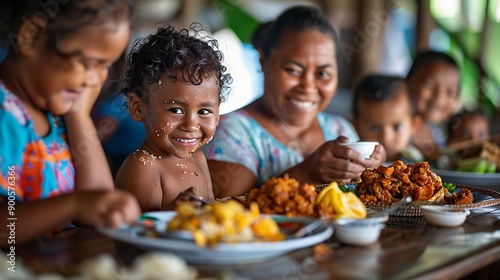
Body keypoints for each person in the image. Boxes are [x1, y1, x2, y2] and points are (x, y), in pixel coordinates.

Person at [202, 6, 386, 198]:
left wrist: (372, 172)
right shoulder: (232, 132)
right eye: (293, 70)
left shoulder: (339, 129)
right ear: (263, 61)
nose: (308, 86)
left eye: (322, 73)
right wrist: (306, 174)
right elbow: (229, 213)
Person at [0, 0, 140, 245]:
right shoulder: (6, 118)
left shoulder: (55, 114)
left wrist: (79, 115)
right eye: (87, 64)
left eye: (105, 66)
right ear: (31, 36)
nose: (95, 79)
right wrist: (73, 205)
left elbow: (99, 199)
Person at [115, 24, 231, 211]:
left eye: (204, 112)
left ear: (218, 112)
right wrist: (174, 212)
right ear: (138, 108)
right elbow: (140, 232)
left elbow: (209, 214)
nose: (191, 124)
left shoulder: (198, 158)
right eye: (176, 110)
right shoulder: (144, 165)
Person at [352, 74, 423, 162]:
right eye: (375, 128)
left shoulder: (420, 163)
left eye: (397, 127)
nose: (386, 138)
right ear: (355, 126)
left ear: (414, 125)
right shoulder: (351, 165)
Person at [406, 50, 460, 159]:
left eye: (450, 92)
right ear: (408, 83)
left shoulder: (438, 136)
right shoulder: (395, 127)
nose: (439, 97)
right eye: (429, 85)